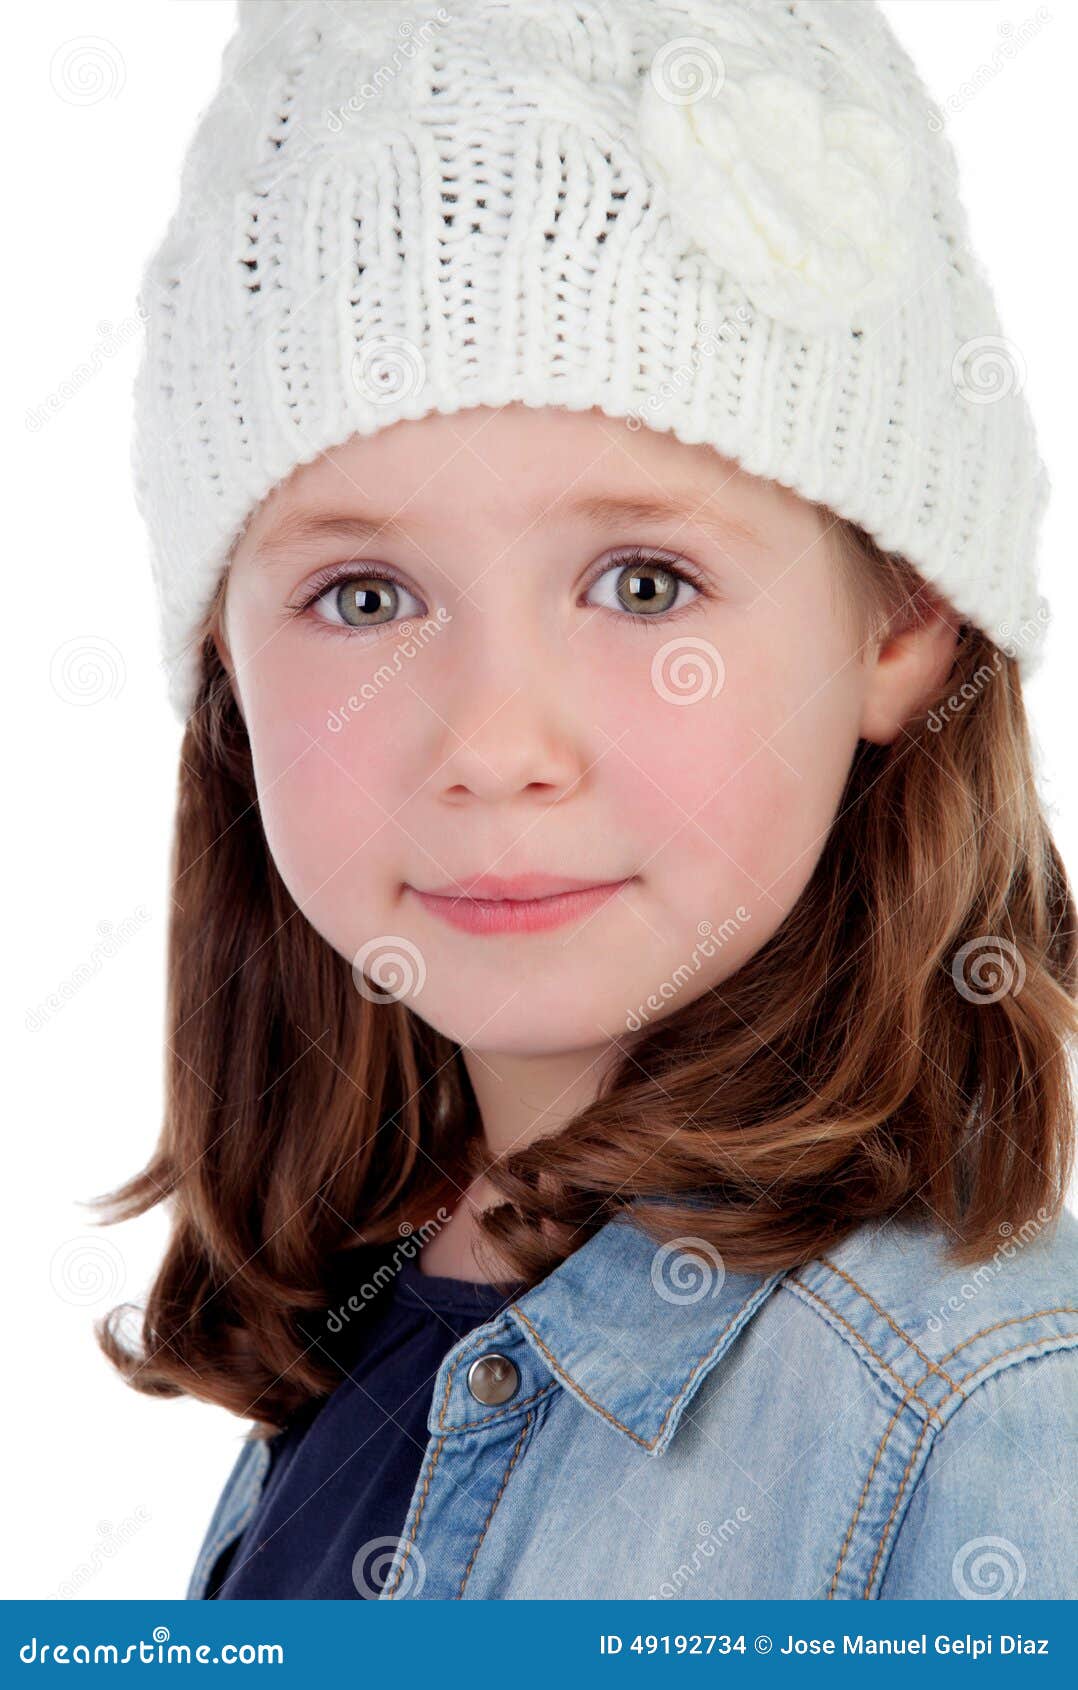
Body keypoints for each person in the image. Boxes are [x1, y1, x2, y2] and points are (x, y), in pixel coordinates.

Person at [92, 0, 1078, 1601]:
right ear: (224, 656)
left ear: (900, 618)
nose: (494, 741)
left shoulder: (987, 1414)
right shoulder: (369, 1317)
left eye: (641, 581)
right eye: (361, 596)